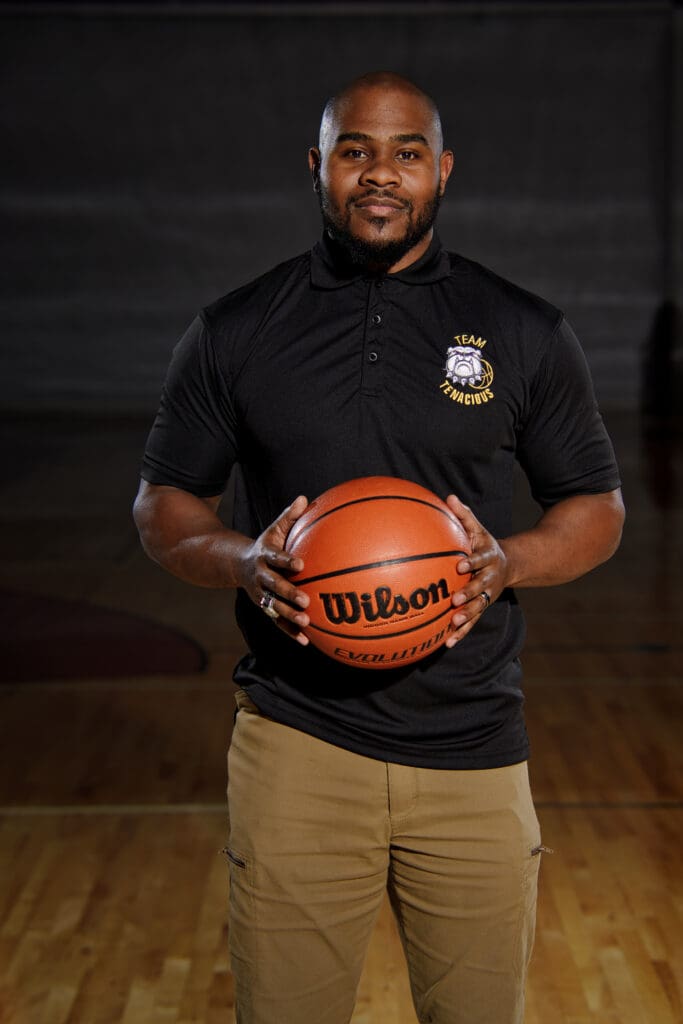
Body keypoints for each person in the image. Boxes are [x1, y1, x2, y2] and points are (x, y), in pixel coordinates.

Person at [133, 71, 624, 1024]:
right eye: (355, 151)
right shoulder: (237, 330)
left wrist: (508, 563)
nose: (379, 175)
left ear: (441, 171)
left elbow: (595, 508)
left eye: (405, 154)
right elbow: (164, 504)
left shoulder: (521, 330)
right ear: (318, 168)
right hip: (297, 745)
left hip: (474, 747)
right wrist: (241, 560)